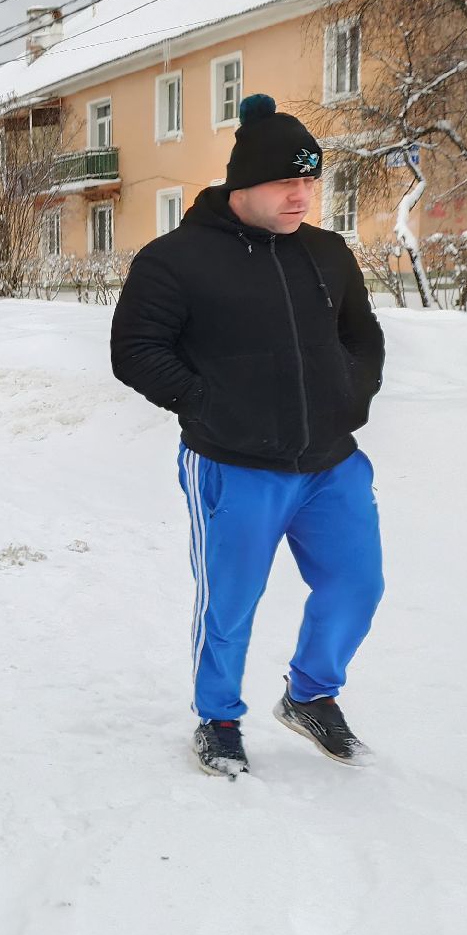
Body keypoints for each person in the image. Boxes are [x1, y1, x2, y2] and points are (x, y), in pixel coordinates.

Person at [111, 94, 386, 778]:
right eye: (287, 183)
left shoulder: (326, 251)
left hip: (331, 464)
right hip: (235, 465)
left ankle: (312, 695)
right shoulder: (176, 259)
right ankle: (220, 717)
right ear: (244, 185)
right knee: (230, 601)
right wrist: (208, 405)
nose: (303, 196)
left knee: (358, 586)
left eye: (310, 182)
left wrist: (352, 393)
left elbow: (363, 336)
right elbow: (137, 349)